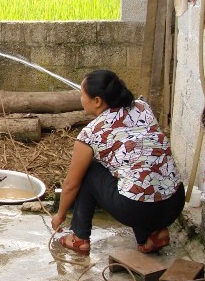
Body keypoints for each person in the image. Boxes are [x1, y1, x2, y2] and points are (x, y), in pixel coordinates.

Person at [51, 69, 185, 255]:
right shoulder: (142, 107)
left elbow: (71, 185)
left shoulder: (91, 134)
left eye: (82, 95)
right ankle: (153, 234)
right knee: (136, 172)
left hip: (137, 209)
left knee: (89, 171)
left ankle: (79, 238)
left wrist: (60, 215)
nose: (81, 99)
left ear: (97, 101)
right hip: (175, 203)